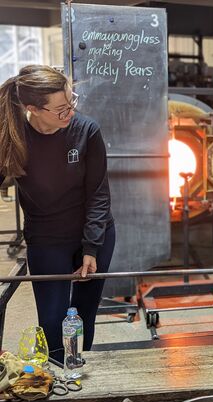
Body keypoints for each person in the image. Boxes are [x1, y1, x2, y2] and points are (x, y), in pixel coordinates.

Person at [0, 65, 115, 363]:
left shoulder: (87, 131)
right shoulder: (13, 137)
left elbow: (99, 194)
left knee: (84, 316)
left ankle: (80, 380)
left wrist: (91, 247)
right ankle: (55, 381)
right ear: (33, 109)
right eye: (61, 110)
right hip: (46, 238)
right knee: (52, 322)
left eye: (71, 103)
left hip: (94, 232)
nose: (70, 114)